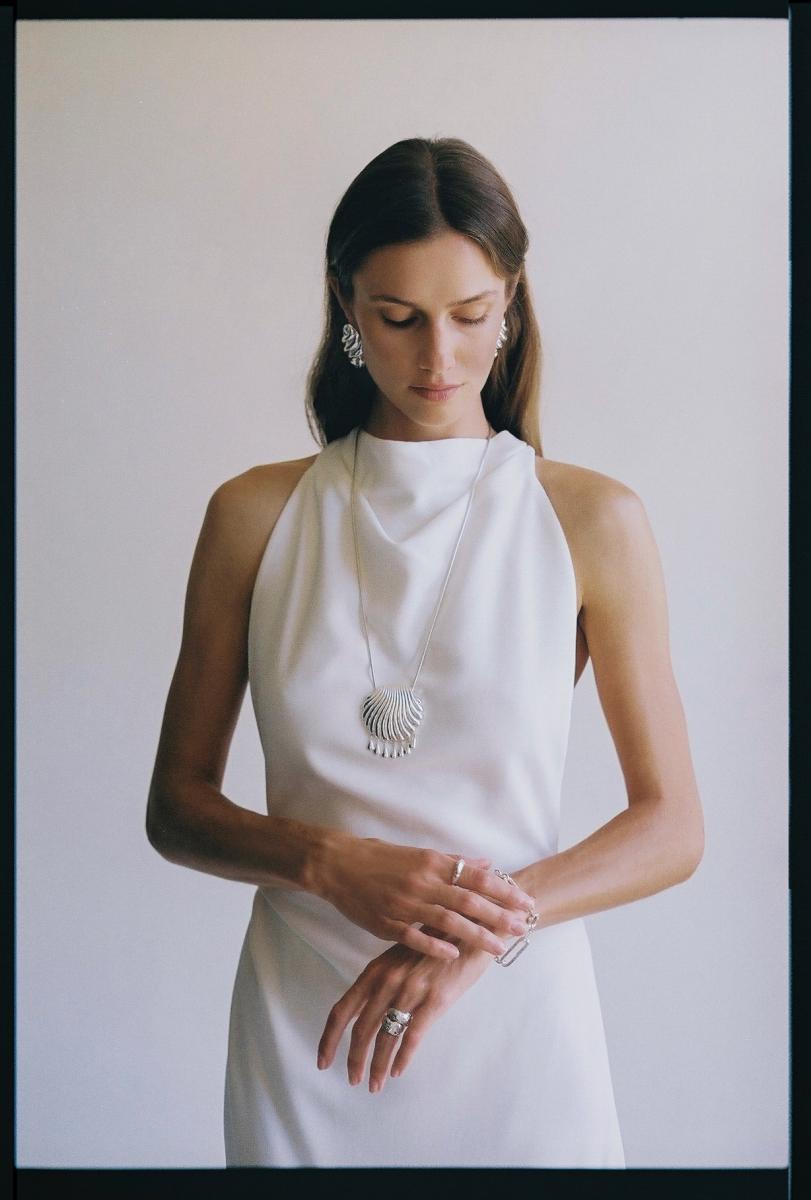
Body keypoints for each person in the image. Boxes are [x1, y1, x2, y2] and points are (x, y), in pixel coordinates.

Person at [146, 136, 704, 1168]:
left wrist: (480, 939)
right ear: (346, 306)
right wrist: (326, 861)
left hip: (515, 1022)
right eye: (398, 318)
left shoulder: (589, 519)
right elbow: (175, 808)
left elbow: (671, 827)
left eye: (469, 315)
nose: (437, 358)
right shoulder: (253, 516)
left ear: (512, 303)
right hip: (307, 1024)